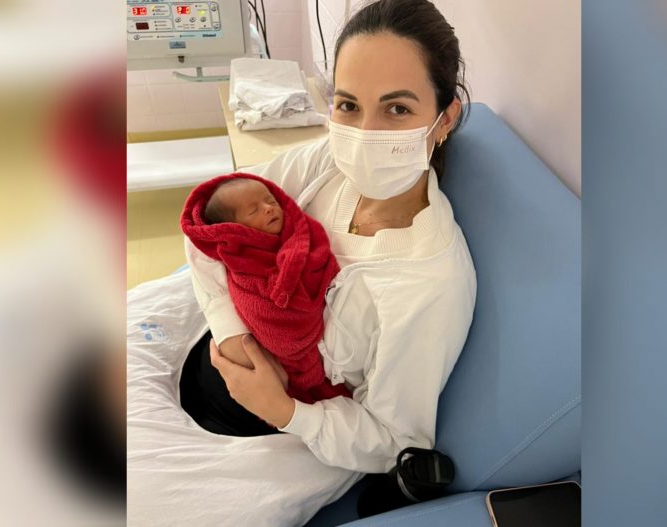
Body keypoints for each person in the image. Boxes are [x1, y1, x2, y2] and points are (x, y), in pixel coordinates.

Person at [128, 1, 477, 525]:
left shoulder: (428, 283)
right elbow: (208, 222)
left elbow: (394, 440)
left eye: (397, 110)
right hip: (206, 352)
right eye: (348, 105)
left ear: (444, 118)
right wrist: (230, 333)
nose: (364, 134)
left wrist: (281, 409)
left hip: (270, 428)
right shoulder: (326, 163)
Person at [179, 173, 351, 437]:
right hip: (248, 372)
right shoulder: (239, 256)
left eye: (270, 201)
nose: (269, 209)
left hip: (273, 382)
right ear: (234, 228)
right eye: (253, 211)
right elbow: (254, 297)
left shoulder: (298, 230)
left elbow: (316, 255)